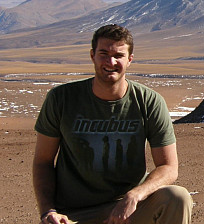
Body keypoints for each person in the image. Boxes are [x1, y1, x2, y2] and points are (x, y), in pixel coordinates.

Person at [32, 24, 192, 224]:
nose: (110, 61)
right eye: (103, 53)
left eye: (118, 55)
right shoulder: (62, 99)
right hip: (74, 214)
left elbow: (168, 167)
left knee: (177, 198)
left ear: (130, 60)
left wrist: (134, 196)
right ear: (92, 56)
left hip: (127, 210)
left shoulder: (148, 101)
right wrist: (48, 211)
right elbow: (43, 162)